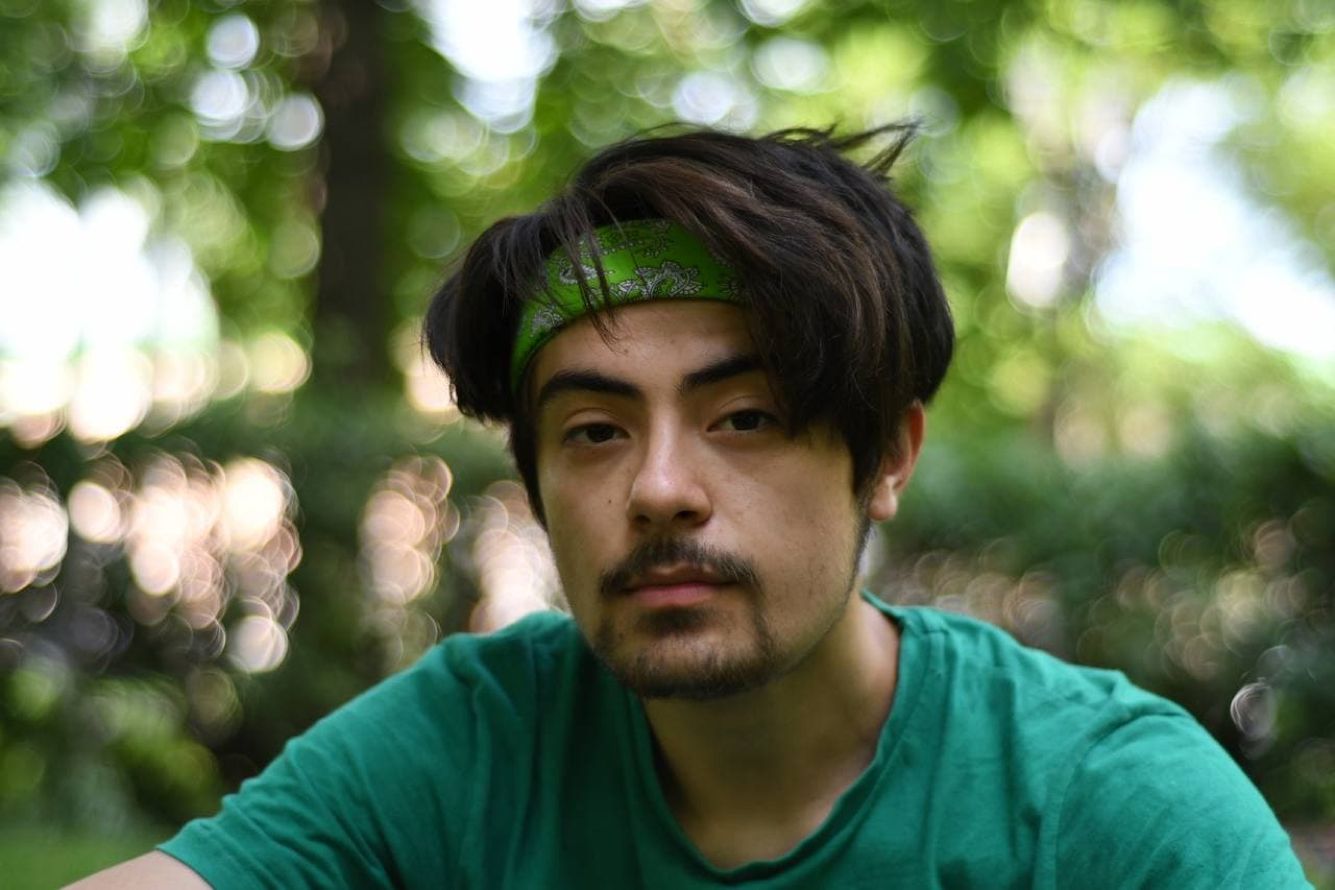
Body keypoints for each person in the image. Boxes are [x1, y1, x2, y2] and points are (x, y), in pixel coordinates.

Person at [71, 125, 1311, 889]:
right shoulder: (473, 744)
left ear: (887, 455)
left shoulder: (1113, 811)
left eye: (746, 417)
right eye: (595, 431)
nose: (660, 488)